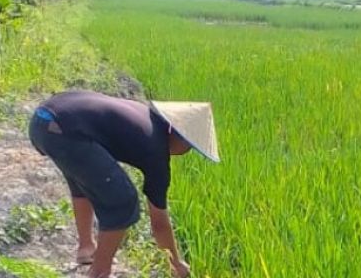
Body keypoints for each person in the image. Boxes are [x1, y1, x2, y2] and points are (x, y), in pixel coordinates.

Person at [28, 89, 220, 278]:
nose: (186, 152)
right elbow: (159, 222)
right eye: (189, 147)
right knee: (123, 201)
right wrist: (176, 264)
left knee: (84, 180)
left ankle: (86, 247)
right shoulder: (156, 152)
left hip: (42, 120)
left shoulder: (143, 115)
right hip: (63, 131)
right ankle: (99, 272)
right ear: (179, 135)